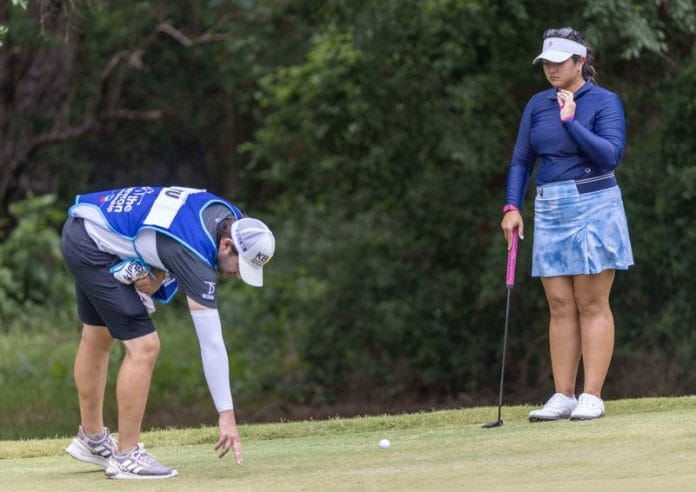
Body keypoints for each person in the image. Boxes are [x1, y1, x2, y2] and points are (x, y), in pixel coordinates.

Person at [61, 186, 275, 479]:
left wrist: (159, 274)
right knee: (145, 346)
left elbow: (164, 233)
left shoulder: (231, 217)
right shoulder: (196, 252)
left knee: (98, 335)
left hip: (84, 228)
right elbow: (211, 343)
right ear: (227, 245)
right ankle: (126, 456)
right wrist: (226, 414)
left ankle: (92, 439)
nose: (238, 274)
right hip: (92, 245)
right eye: (241, 266)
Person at [501, 28, 633, 421]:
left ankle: (592, 395)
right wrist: (512, 206)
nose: (552, 69)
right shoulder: (537, 104)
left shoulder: (605, 102)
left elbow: (610, 155)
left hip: (595, 204)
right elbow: (522, 160)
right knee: (559, 305)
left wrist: (571, 121)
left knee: (590, 302)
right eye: (547, 63)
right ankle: (563, 395)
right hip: (550, 208)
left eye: (560, 62)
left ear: (580, 62)